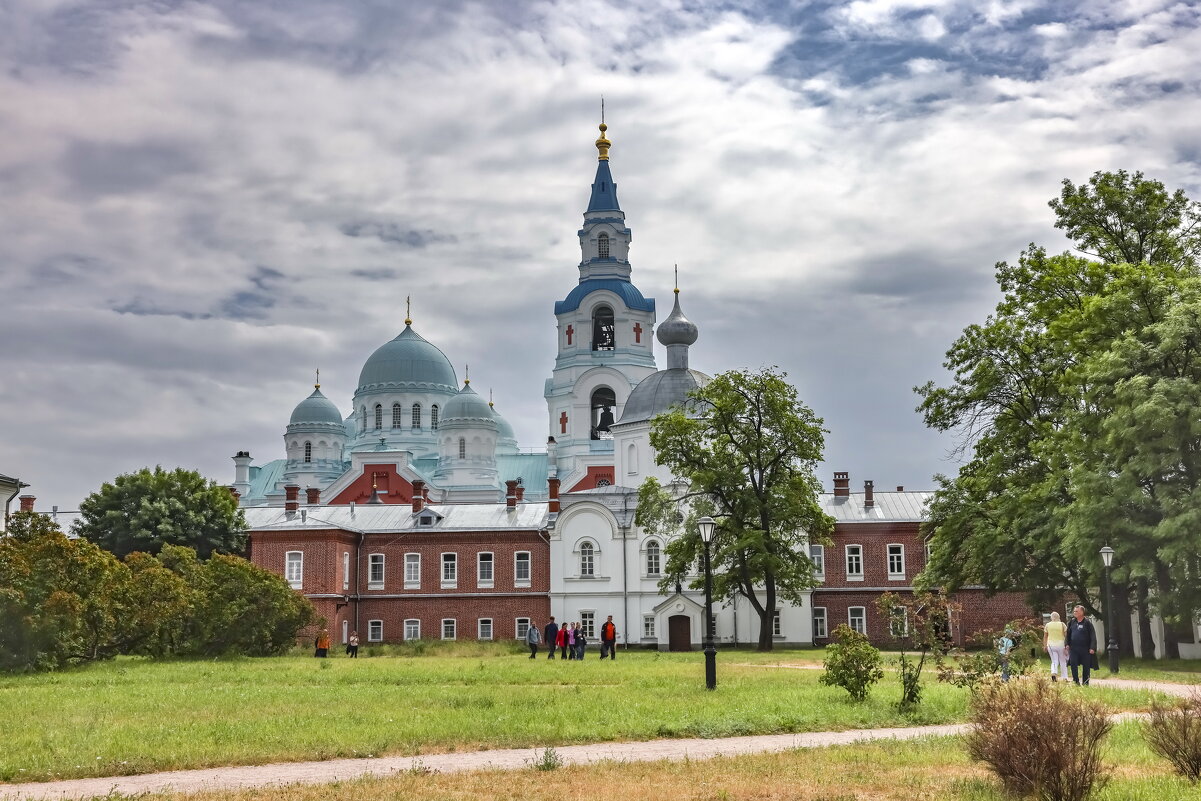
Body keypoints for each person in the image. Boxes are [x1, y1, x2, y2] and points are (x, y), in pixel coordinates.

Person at [1065, 605, 1097, 686]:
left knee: (1086, 666)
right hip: (1074, 648)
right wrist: (1067, 644)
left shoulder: (1087, 623)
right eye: (1074, 611)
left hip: (1085, 648)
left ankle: (1086, 682)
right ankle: (1076, 681)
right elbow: (1068, 634)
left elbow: (1093, 636)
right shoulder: (1072, 622)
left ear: (1082, 612)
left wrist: (1092, 647)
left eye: (1076, 611)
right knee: (1073, 664)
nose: (1074, 613)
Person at [1043, 611, 1068, 682]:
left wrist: (1045, 645)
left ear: (1051, 617)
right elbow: (1066, 635)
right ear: (1058, 617)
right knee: (1063, 661)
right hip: (1061, 644)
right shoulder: (1062, 624)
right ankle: (1064, 677)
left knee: (1054, 661)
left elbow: (1045, 636)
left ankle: (1054, 672)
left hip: (1051, 645)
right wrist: (1067, 645)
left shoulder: (1047, 625)